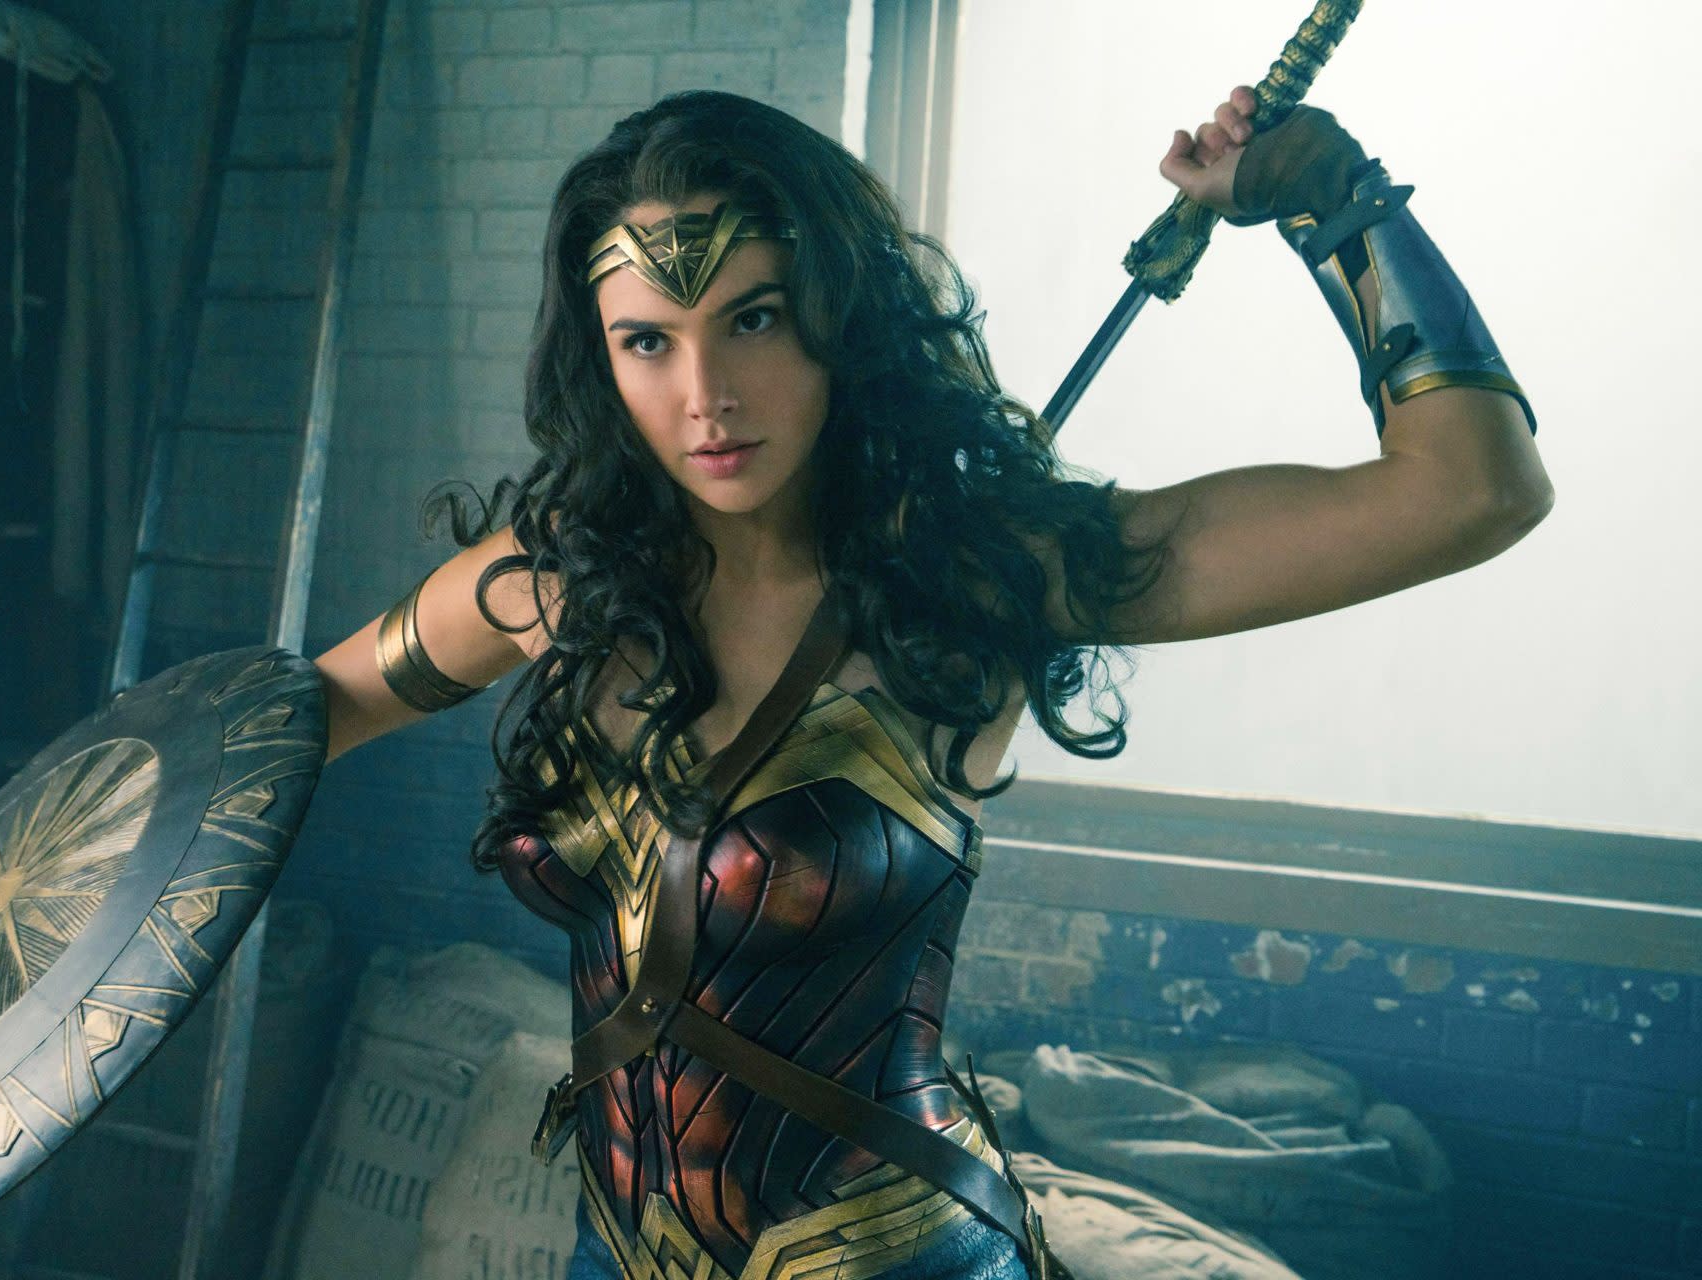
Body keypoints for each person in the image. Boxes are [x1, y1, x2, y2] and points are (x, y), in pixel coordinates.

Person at [310, 88, 1549, 1280]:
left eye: (754, 318)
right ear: (601, 357)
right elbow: (277, 731)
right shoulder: (552, 585)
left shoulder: (988, 576)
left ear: (839, 315)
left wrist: (1328, 192)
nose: (704, 397)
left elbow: (1470, 491)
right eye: (647, 341)